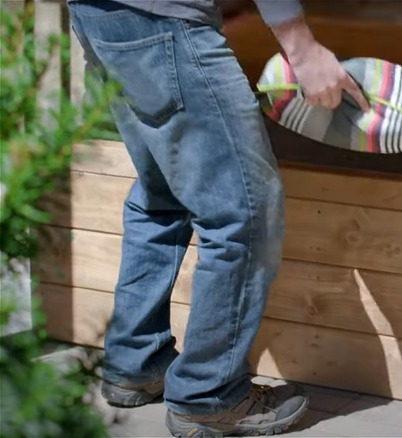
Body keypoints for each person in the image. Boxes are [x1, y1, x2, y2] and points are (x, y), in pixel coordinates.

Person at [65, 0, 370, 436]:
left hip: (101, 13)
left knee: (161, 193)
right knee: (244, 213)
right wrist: (301, 46)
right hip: (164, 19)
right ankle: (208, 396)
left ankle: (136, 362)